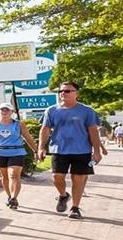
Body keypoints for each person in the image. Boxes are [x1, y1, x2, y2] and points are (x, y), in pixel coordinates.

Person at [36, 81, 105, 220]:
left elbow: (93, 131)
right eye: (61, 91)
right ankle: (63, 195)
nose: (63, 93)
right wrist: (41, 147)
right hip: (59, 149)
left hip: (82, 150)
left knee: (77, 179)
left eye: (67, 91)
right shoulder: (51, 110)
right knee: (56, 177)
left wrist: (97, 151)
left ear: (76, 93)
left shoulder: (87, 111)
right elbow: (45, 129)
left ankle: (75, 207)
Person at [0, 103, 29, 209]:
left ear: (11, 112)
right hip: (0, 153)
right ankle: (9, 196)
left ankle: (14, 198)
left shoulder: (18, 124)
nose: (4, 112)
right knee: (5, 176)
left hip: (17, 152)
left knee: (14, 175)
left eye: (7, 110)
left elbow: (28, 137)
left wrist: (36, 150)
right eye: (2, 110)